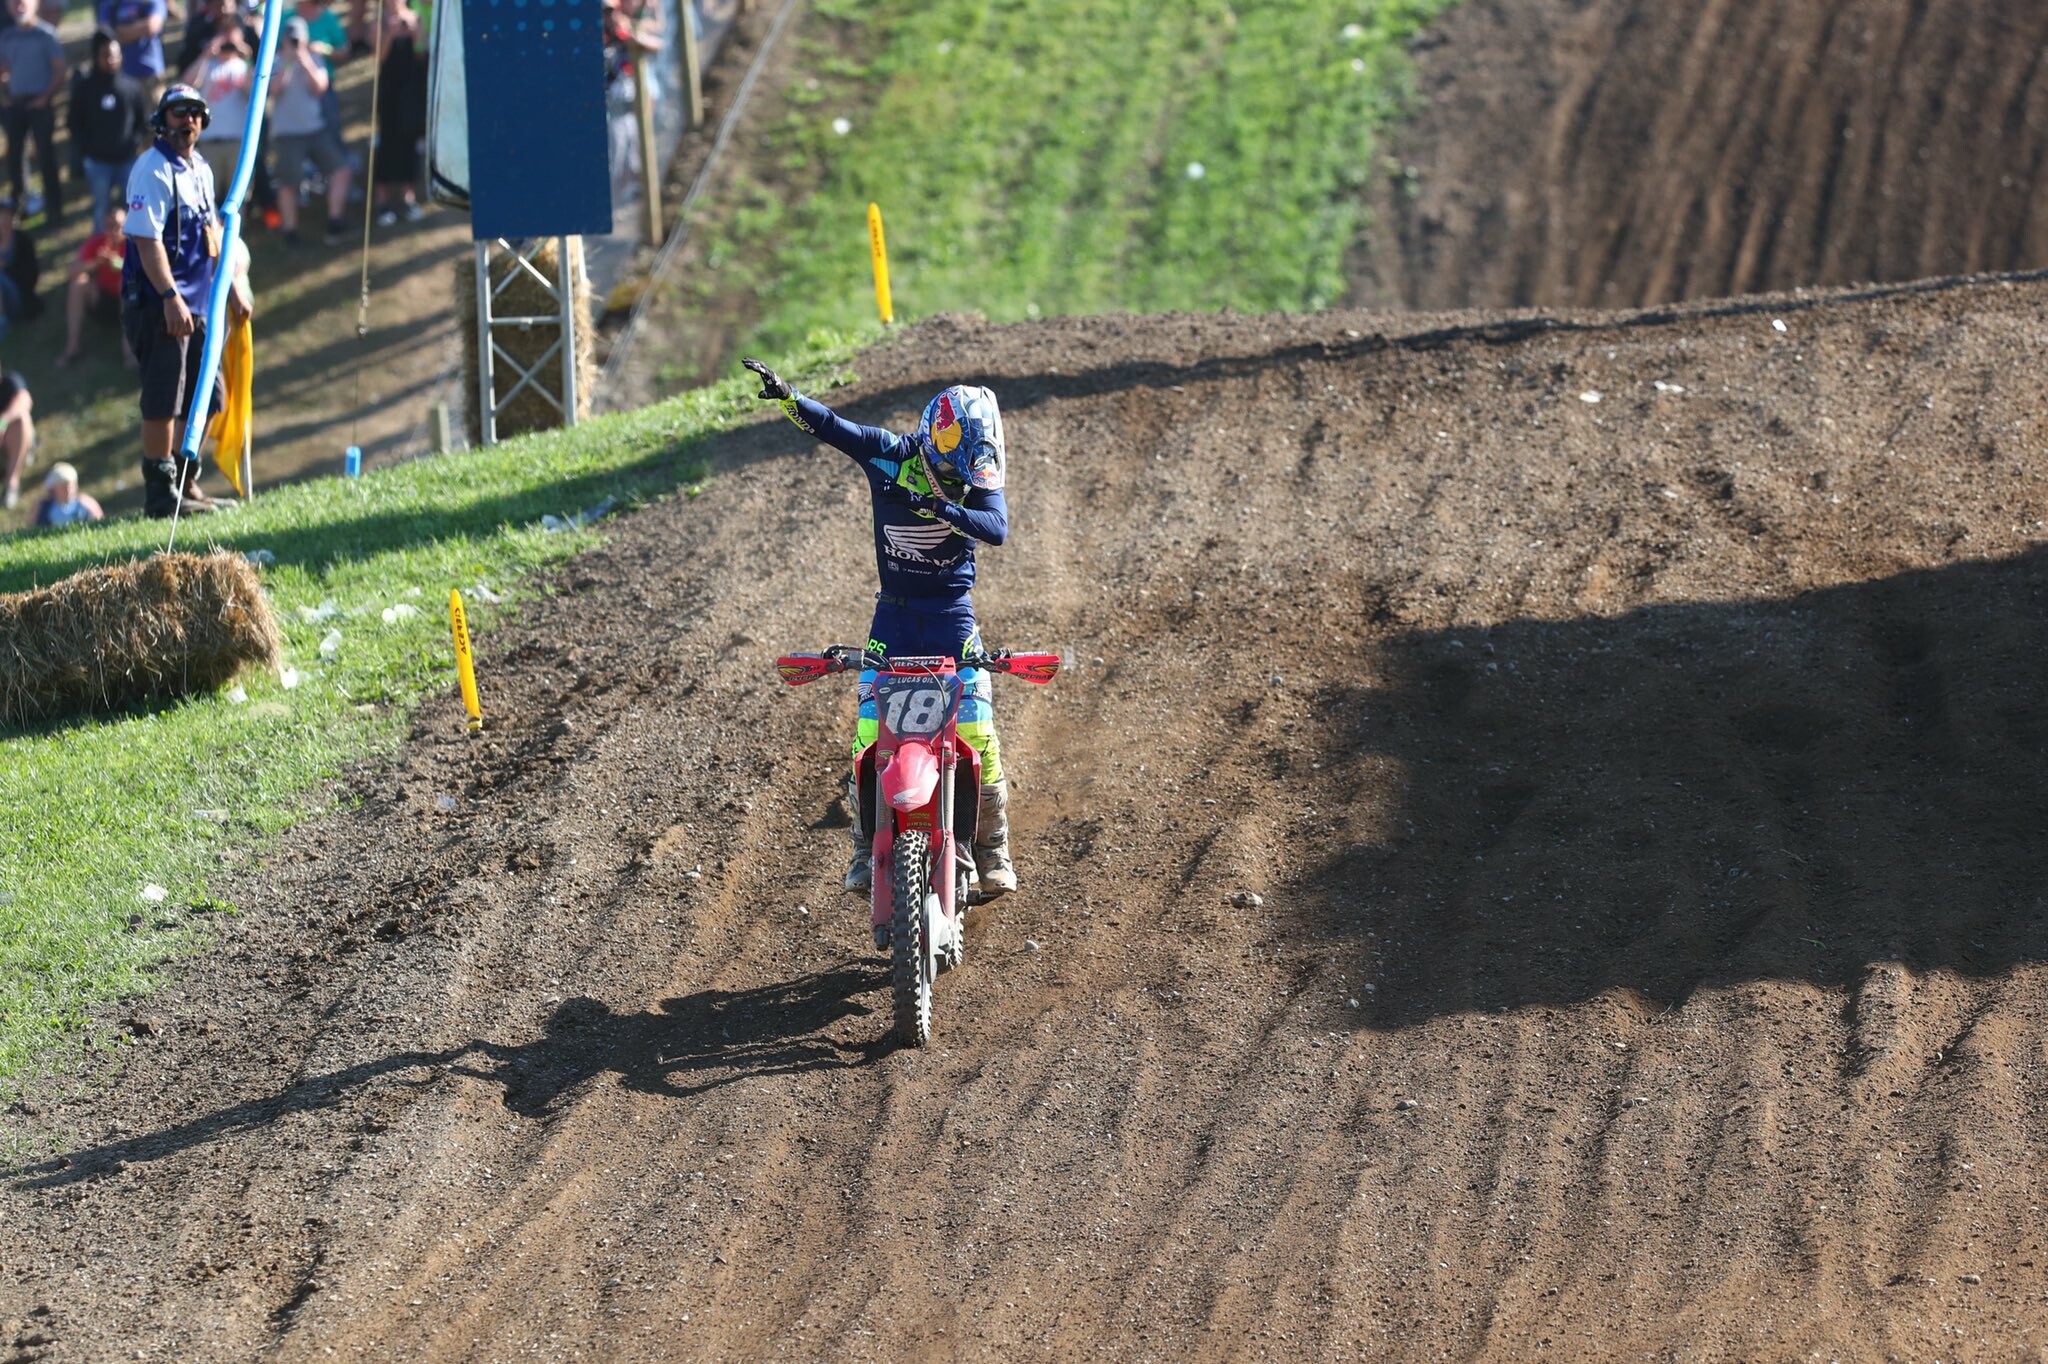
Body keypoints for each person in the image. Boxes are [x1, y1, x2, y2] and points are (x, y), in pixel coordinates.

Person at [740, 356, 1020, 898]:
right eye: (955, 470)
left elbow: (997, 528)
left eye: (972, 472)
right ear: (937, 441)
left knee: (979, 736)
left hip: (953, 617)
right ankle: (864, 846)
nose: (963, 480)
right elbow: (835, 429)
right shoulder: (890, 457)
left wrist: (943, 509)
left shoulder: (973, 478)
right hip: (891, 619)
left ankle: (992, 848)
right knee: (868, 741)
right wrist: (789, 398)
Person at [122, 83, 251, 517]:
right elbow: (146, 241)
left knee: (207, 396)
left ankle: (185, 479)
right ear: (162, 120)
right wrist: (169, 296)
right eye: (179, 112)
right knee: (165, 396)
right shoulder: (152, 169)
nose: (188, 120)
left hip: (201, 303)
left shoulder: (200, 169)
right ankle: (160, 495)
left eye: (196, 112)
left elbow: (212, 231)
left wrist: (231, 282)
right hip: (162, 302)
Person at [268, 14, 350, 245]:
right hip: (286, 133)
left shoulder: (314, 58)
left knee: (341, 170)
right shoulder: (275, 61)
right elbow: (274, 90)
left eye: (298, 39)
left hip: (315, 129)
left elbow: (320, 88)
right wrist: (287, 61)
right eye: (290, 38)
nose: (294, 43)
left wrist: (304, 58)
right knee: (289, 183)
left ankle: (335, 220)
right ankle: (290, 231)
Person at [68, 27, 153, 221]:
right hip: (98, 163)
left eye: (115, 55)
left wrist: (134, 143)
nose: (111, 60)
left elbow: (143, 121)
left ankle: (130, 248)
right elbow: (74, 122)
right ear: (96, 57)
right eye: (106, 55)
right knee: (101, 211)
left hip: (127, 160)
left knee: (133, 210)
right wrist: (87, 149)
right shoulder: (85, 88)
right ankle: (100, 249)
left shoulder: (131, 87)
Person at [0, 0, 65, 226]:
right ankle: (20, 206)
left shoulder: (46, 35)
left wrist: (44, 97)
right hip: (16, 104)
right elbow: (3, 69)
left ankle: (54, 210)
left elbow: (59, 70)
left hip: (40, 104)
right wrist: (6, 95)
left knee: (45, 156)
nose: (18, 5)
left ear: (35, 4)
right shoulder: (6, 37)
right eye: (13, 2)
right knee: (15, 157)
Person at [56, 198, 133, 368]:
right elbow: (71, 271)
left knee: (125, 284)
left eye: (118, 226)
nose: (113, 231)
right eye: (109, 226)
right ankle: (72, 345)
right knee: (78, 283)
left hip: (130, 300)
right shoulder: (97, 243)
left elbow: (140, 271)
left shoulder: (134, 243)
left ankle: (129, 350)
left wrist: (117, 263)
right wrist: (96, 263)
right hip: (102, 300)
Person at [180, 15, 251, 193]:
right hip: (208, 141)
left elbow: (254, 93)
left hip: (237, 142)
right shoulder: (207, 65)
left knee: (237, 197)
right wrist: (206, 54)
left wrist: (247, 57)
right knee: (206, 197)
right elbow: (187, 83)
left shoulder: (244, 66)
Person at [370, 0, 425, 225]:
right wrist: (391, 34)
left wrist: (413, 34)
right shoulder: (377, 23)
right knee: (388, 140)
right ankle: (381, 199)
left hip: (410, 90)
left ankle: (407, 194)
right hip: (389, 91)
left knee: (409, 139)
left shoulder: (415, 17)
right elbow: (379, 58)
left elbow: (421, 53)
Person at [97, 0, 167, 92]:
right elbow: (105, 33)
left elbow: (151, 27)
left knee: (157, 104)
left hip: (150, 71)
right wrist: (140, 28)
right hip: (122, 75)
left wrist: (120, 31)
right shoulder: (111, 2)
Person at [0, 195, 38, 330]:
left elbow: (31, 277)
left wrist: (6, 268)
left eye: (8, 216)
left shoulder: (23, 241)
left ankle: (2, 322)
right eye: (1, 216)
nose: (4, 220)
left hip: (20, 296)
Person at [0, 363, 33, 509]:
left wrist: (2, 422)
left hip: (12, 442)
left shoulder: (10, 382)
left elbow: (25, 401)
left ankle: (11, 484)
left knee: (21, 419)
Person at [32, 461, 103, 526]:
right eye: (63, 486)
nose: (68, 490)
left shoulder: (87, 505)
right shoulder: (42, 507)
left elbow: (99, 524)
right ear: (54, 488)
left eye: (71, 486)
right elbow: (30, 529)